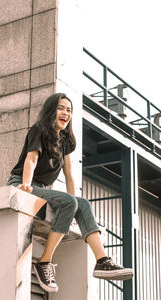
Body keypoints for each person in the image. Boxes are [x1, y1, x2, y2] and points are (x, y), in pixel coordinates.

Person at [7, 93, 133, 293]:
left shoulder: (65, 140)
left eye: (69, 110)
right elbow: (31, 159)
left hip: (42, 188)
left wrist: (74, 201)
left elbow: (68, 174)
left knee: (80, 203)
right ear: (51, 111)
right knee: (69, 202)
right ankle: (44, 262)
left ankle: (102, 260)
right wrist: (26, 184)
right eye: (61, 108)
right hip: (24, 183)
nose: (66, 113)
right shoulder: (39, 130)